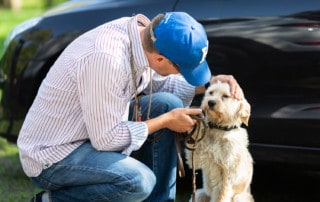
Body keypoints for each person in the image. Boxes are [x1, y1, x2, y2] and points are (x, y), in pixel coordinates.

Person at [18, 12, 243, 202]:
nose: (184, 75)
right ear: (160, 60)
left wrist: (211, 84)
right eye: (182, 69)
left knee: (168, 104)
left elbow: (160, 81)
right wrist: (166, 121)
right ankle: (49, 200)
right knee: (138, 181)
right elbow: (106, 139)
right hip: (54, 153)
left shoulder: (143, 36)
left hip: (87, 133)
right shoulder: (107, 60)